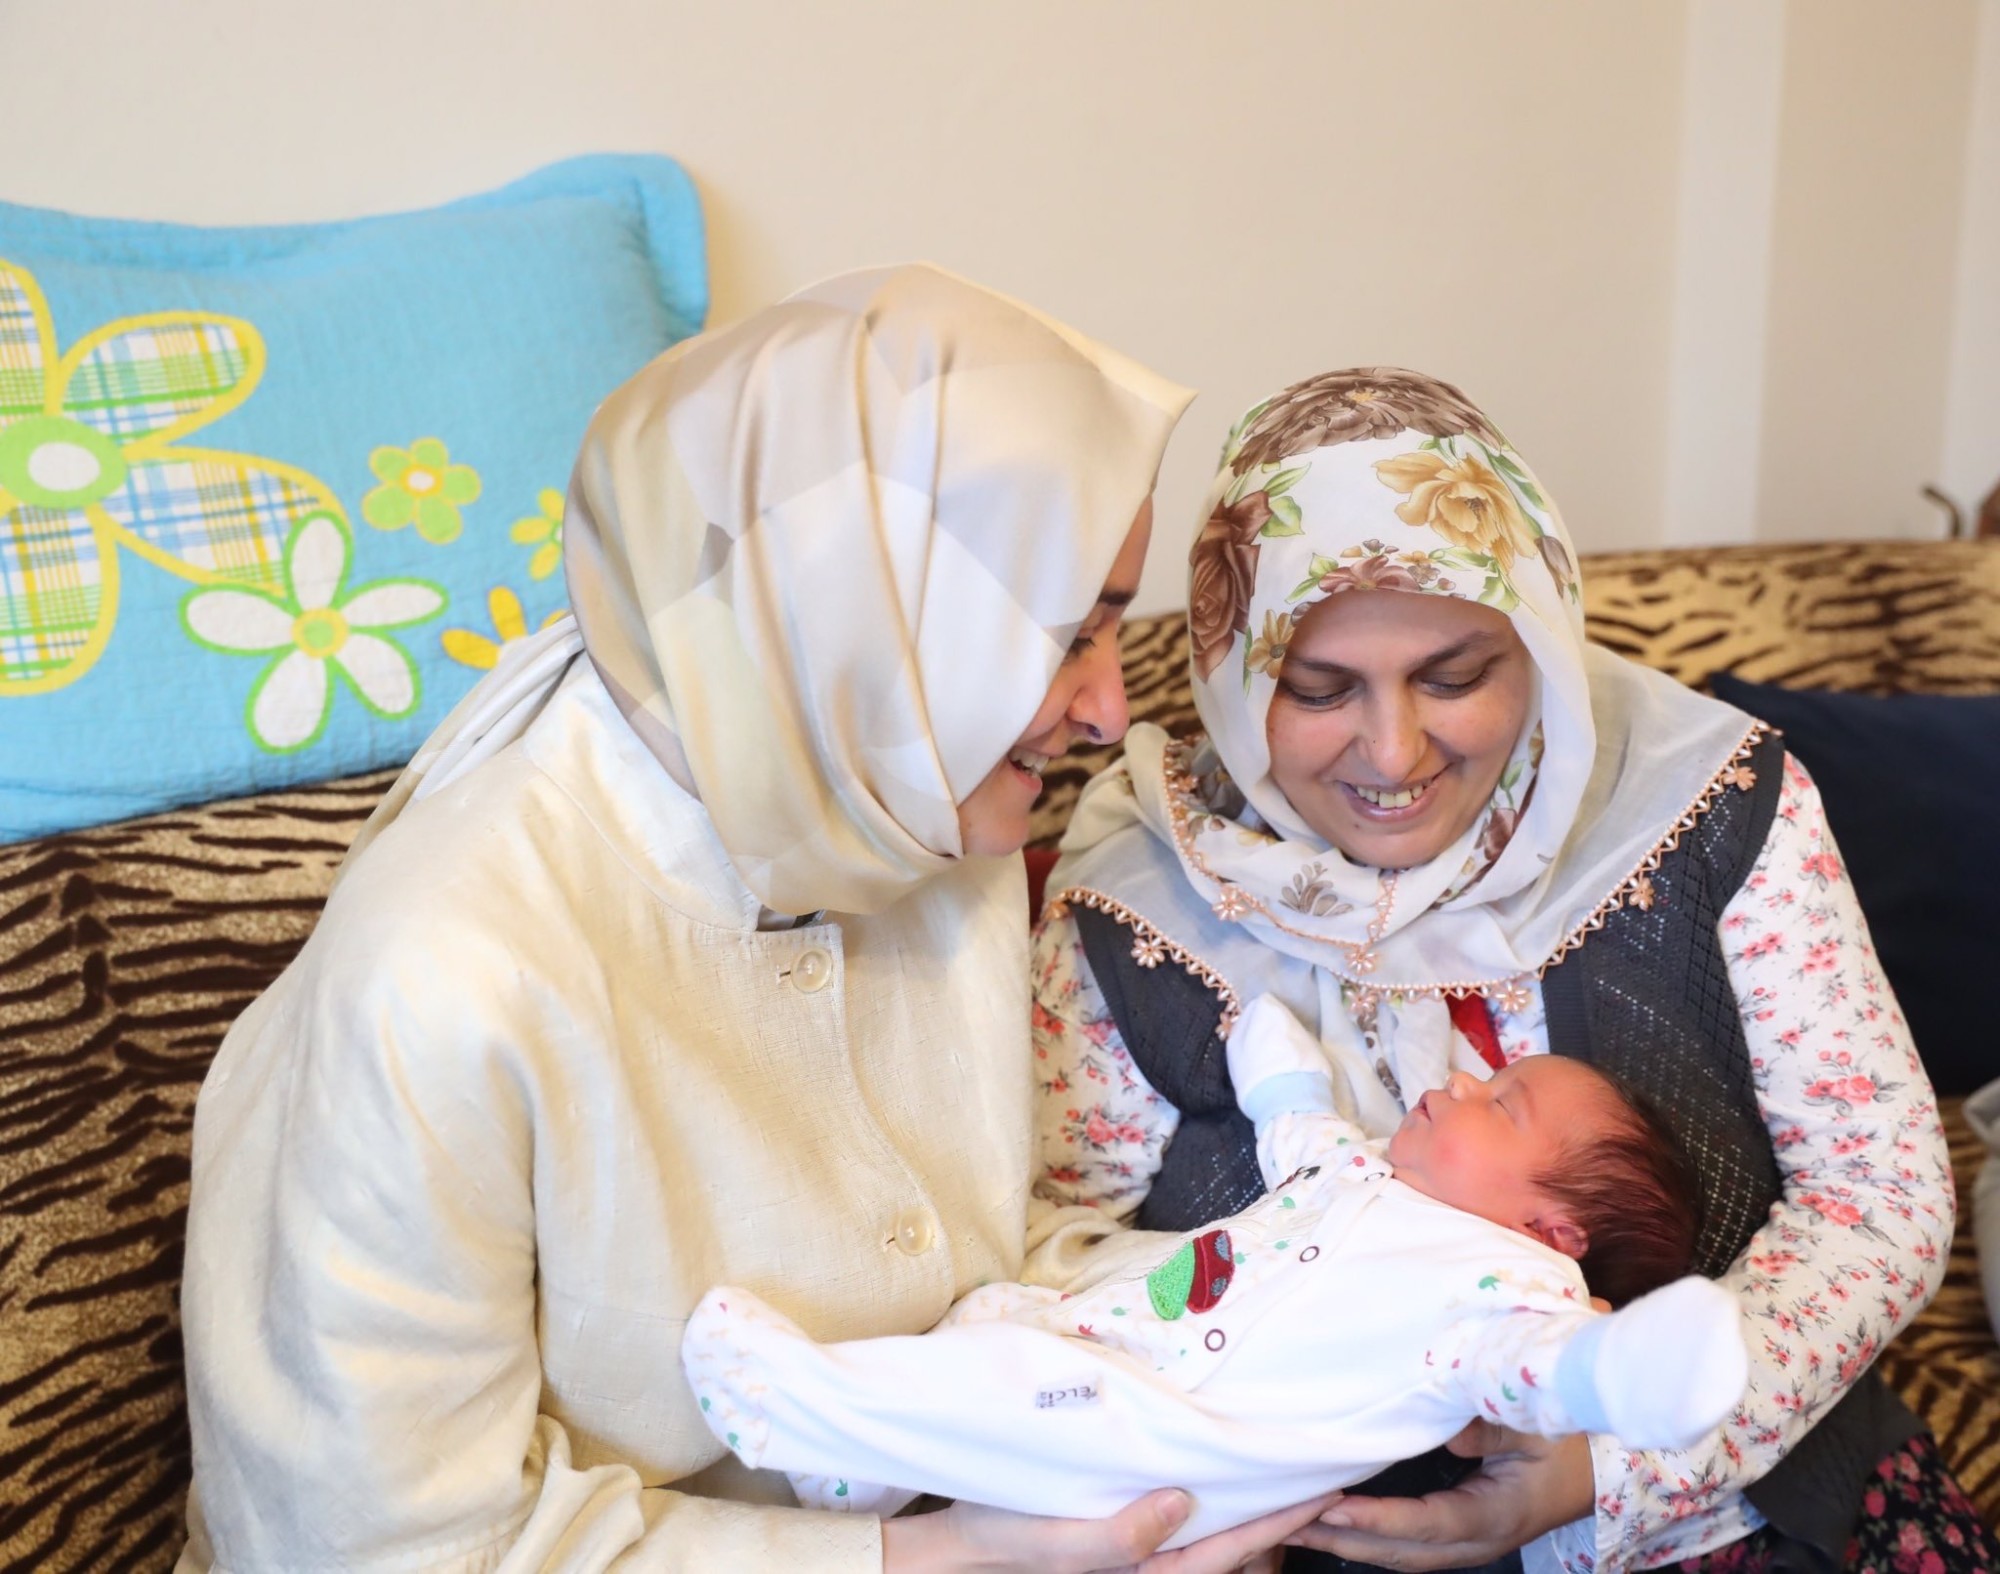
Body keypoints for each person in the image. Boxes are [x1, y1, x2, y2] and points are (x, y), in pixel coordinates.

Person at [174, 265, 1345, 1574]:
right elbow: (387, 1549)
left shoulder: (902, 800)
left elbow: (988, 1262)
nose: (1110, 712)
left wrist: (1275, 1368)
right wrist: (956, 1557)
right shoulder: (445, 971)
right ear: (864, 613)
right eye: (1069, 635)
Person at [1029, 368, 1978, 1574]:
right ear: (1229, 671)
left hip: (1751, 1513)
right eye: (1315, 689)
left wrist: (1609, 1468)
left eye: (1453, 676)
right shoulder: (1135, 906)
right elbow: (1051, 1254)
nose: (1392, 753)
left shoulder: (1702, 806)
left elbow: (1874, 1192)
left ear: (1536, 635)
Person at [680, 995, 1745, 1547]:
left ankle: (794, 1407)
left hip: (1189, 1444)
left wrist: (1609, 1370)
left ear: (1552, 1230)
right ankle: (851, 1472)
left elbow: (1529, 1370)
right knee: (996, 1319)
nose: (1461, 1083)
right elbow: (1298, 1130)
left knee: (1028, 1387)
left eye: (1500, 1104)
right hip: (1123, 1349)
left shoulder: (1506, 1292)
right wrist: (1280, 1071)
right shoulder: (1367, 1174)